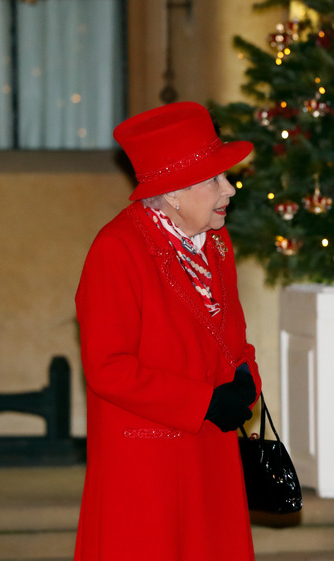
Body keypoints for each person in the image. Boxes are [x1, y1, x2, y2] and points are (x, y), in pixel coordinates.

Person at [74, 101, 261, 561]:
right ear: (174, 192)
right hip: (148, 461)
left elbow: (232, 333)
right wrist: (203, 401)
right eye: (215, 179)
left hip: (210, 448)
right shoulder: (116, 249)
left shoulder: (216, 241)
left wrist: (245, 379)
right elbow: (107, 369)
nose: (230, 189)